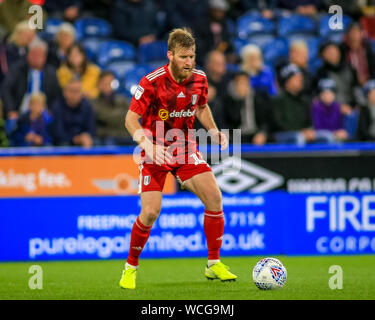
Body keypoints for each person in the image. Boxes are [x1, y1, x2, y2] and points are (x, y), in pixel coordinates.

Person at [119, 28, 237, 290]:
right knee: (150, 213)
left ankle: (214, 263)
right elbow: (129, 119)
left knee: (215, 198)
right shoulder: (151, 81)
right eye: (184, 56)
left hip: (184, 148)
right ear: (170, 55)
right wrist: (147, 145)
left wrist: (214, 130)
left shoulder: (200, 78)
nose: (189, 62)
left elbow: (201, 107)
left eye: (192, 56)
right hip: (154, 150)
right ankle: (130, 267)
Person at [271, 64, 332, 145]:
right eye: (296, 78)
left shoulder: (305, 100)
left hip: (303, 133)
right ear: (287, 81)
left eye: (300, 78)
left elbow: (309, 121)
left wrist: (309, 130)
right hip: (283, 134)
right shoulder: (277, 99)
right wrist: (301, 131)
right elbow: (279, 124)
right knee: (299, 137)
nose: (300, 80)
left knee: (327, 136)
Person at [1, 38, 61, 120]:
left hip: (43, 114)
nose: (37, 58)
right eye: (34, 55)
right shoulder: (17, 69)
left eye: (40, 55)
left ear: (45, 57)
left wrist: (51, 111)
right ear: (28, 55)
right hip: (19, 112)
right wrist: (11, 110)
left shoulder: (51, 73)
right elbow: (6, 90)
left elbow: (56, 96)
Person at [223, 71, 270, 145]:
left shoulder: (258, 98)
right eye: (240, 83)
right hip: (237, 135)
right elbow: (233, 122)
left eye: (245, 83)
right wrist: (240, 100)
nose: (243, 86)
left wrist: (262, 133)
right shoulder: (228, 100)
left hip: (255, 133)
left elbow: (265, 120)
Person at [91, 71, 132, 145]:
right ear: (99, 85)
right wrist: (121, 114)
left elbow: (131, 116)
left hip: (125, 136)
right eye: (105, 83)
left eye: (110, 82)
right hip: (106, 137)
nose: (108, 85)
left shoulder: (123, 100)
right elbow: (105, 116)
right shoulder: (94, 103)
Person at [315, 41, 360, 108]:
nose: (332, 54)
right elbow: (322, 95)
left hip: (353, 106)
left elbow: (357, 88)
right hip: (333, 108)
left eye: (334, 51)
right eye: (329, 52)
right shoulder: (321, 73)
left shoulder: (350, 68)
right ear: (323, 55)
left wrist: (358, 105)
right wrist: (339, 107)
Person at [51, 79, 96, 147]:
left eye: (77, 91)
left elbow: (91, 128)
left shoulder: (87, 106)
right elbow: (58, 132)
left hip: (84, 140)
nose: (74, 94)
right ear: (64, 92)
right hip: (64, 141)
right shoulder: (57, 107)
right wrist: (75, 139)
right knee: (63, 145)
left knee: (96, 143)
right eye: (72, 91)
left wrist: (85, 136)